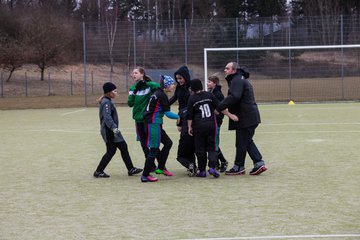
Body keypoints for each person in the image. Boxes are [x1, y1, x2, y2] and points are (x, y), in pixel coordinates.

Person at [215, 62, 267, 175]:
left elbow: (234, 96)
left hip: (246, 117)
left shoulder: (237, 80)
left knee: (242, 142)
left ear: (234, 70)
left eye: (227, 68)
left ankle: (240, 166)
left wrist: (218, 107)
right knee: (245, 141)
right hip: (248, 117)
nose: (225, 70)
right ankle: (257, 163)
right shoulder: (238, 79)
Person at [187, 79, 238, 178]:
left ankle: (202, 171)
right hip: (211, 125)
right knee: (212, 147)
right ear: (201, 86)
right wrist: (230, 115)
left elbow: (190, 115)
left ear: (192, 88)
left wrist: (189, 127)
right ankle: (212, 167)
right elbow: (220, 107)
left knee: (200, 148)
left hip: (198, 126)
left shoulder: (191, 99)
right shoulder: (209, 95)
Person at [94, 82, 143, 178]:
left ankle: (131, 169)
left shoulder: (108, 101)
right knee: (111, 151)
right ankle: (98, 171)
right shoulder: (106, 102)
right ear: (109, 92)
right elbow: (107, 117)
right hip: (109, 131)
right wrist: (114, 128)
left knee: (123, 147)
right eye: (115, 91)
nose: (116, 93)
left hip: (113, 130)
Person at [140, 75, 179, 182]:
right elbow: (168, 114)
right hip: (153, 124)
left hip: (155, 124)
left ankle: (160, 168)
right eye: (171, 84)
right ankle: (145, 175)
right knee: (154, 150)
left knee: (168, 143)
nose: (173, 86)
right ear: (166, 86)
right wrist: (179, 117)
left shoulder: (158, 93)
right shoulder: (161, 95)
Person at [127, 66, 160, 168]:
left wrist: (145, 83)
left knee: (152, 143)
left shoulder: (149, 86)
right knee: (143, 143)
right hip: (138, 119)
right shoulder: (133, 88)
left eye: (136, 73)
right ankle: (151, 165)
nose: (134, 75)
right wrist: (135, 91)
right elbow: (130, 103)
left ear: (142, 74)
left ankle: (161, 165)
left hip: (148, 120)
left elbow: (158, 87)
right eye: (133, 73)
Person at [207, 75, 228, 172]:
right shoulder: (210, 92)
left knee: (214, 143)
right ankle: (217, 162)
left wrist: (218, 116)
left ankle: (223, 161)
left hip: (216, 121)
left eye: (210, 82)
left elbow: (221, 108)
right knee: (212, 142)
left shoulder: (218, 94)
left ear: (214, 83)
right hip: (210, 121)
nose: (207, 83)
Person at [175, 106, 196, 176]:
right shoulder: (197, 108)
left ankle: (190, 166)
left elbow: (179, 128)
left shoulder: (181, 111)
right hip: (196, 135)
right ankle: (194, 168)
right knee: (191, 153)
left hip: (185, 136)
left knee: (180, 156)